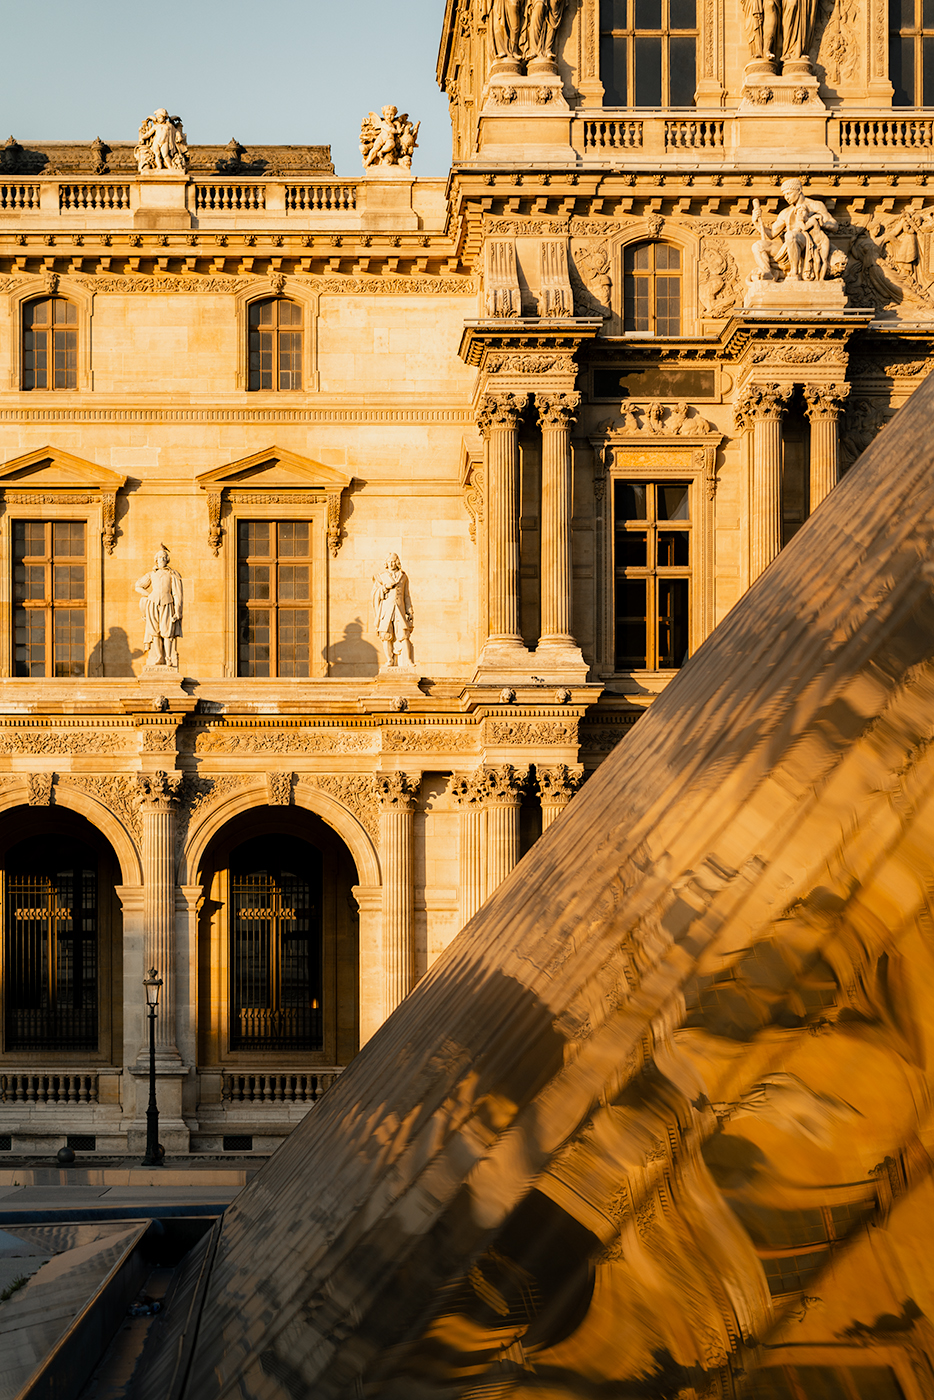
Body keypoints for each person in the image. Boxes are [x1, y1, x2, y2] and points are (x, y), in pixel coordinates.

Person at [751, 178, 838, 282]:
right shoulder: (785, 212)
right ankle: (767, 272)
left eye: (789, 193)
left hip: (808, 243)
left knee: (791, 235)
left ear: (799, 190)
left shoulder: (815, 205)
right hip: (789, 247)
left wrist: (819, 221)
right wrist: (756, 222)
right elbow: (771, 233)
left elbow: (834, 226)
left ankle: (794, 272)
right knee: (758, 246)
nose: (786, 197)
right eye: (785, 195)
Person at [135, 547, 183, 668]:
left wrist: (177, 611)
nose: (161, 559)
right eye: (159, 557)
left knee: (167, 631)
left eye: (163, 557)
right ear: (156, 560)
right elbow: (138, 586)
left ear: (167, 560)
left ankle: (168, 657)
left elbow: (177, 593)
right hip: (153, 602)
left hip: (167, 602)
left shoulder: (172, 574)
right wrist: (149, 595)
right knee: (154, 631)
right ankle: (159, 656)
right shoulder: (151, 575)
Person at [372, 553, 414, 668]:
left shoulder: (403, 576)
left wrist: (409, 610)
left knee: (404, 634)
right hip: (386, 610)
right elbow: (375, 594)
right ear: (386, 563)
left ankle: (408, 660)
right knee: (386, 635)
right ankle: (389, 660)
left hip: (399, 609)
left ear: (397, 562)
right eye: (389, 561)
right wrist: (385, 588)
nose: (391, 564)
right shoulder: (381, 576)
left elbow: (406, 595)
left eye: (393, 561)